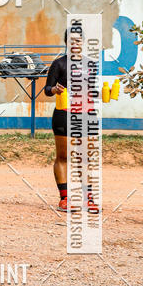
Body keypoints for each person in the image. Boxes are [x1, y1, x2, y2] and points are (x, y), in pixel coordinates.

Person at [45, 29, 98, 212]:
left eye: (78, 40)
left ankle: (88, 199)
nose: (75, 43)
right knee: (63, 157)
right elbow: (47, 89)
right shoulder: (59, 64)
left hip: (86, 114)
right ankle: (64, 199)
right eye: (71, 40)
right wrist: (55, 90)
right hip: (64, 113)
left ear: (83, 42)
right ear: (66, 42)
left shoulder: (91, 64)